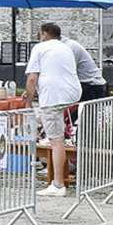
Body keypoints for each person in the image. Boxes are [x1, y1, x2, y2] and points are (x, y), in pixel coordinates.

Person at [26, 23, 79, 198]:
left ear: (44, 34)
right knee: (50, 125)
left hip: (53, 97)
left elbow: (32, 77)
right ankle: (57, 179)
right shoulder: (66, 48)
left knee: (56, 141)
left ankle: (58, 184)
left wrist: (28, 102)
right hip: (72, 94)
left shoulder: (40, 48)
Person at [66, 37, 108, 102]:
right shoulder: (70, 44)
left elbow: (69, 70)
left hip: (90, 85)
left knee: (84, 110)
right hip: (91, 84)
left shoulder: (69, 47)